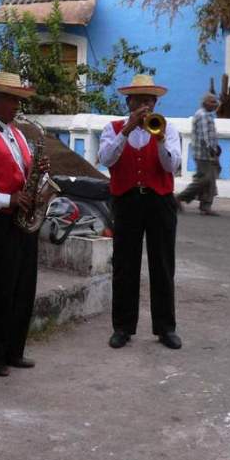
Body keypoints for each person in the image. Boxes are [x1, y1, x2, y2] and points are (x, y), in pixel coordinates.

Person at [97, 74, 183, 350]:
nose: (144, 106)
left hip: (159, 201)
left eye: (149, 100)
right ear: (128, 102)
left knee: (162, 264)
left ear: (155, 103)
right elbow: (106, 159)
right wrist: (127, 130)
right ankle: (122, 327)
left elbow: (171, 167)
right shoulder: (112, 129)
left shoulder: (167, 130)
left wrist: (158, 139)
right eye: (139, 100)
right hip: (126, 201)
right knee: (125, 265)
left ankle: (165, 328)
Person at [0, 72, 49, 377]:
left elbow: (25, 173)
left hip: (22, 218)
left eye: (19, 99)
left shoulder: (18, 134)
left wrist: (40, 176)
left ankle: (13, 350)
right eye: (12, 99)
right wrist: (9, 200)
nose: (17, 105)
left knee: (23, 286)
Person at [177, 93, 221, 216]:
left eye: (215, 101)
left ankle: (205, 205)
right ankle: (180, 197)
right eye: (212, 102)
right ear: (205, 103)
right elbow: (205, 135)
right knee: (204, 179)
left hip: (205, 153)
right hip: (203, 153)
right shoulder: (202, 115)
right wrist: (212, 149)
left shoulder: (207, 115)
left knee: (210, 179)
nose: (215, 104)